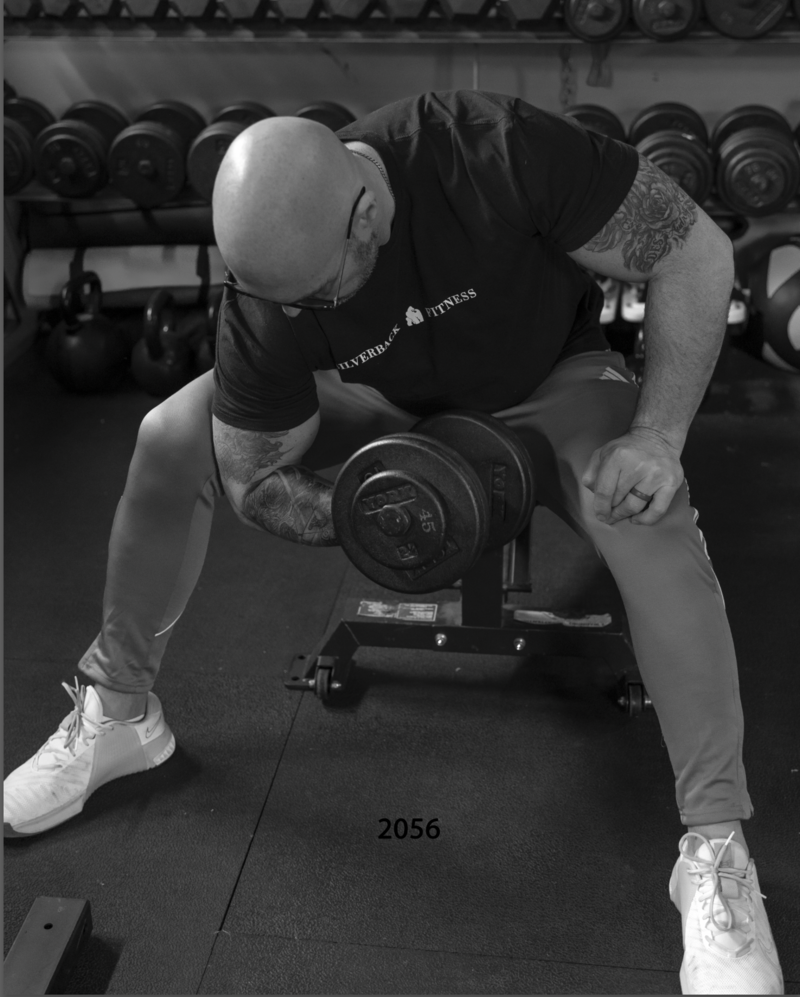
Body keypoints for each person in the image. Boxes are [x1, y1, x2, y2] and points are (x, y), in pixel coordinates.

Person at [4, 91, 783, 995]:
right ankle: (120, 717)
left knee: (647, 514)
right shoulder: (270, 294)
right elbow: (258, 479)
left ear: (368, 212)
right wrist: (384, 509)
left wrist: (655, 437)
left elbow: (698, 253)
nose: (307, 310)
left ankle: (715, 849)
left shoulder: (494, 152)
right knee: (171, 438)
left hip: (551, 382)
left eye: (324, 290)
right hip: (379, 403)